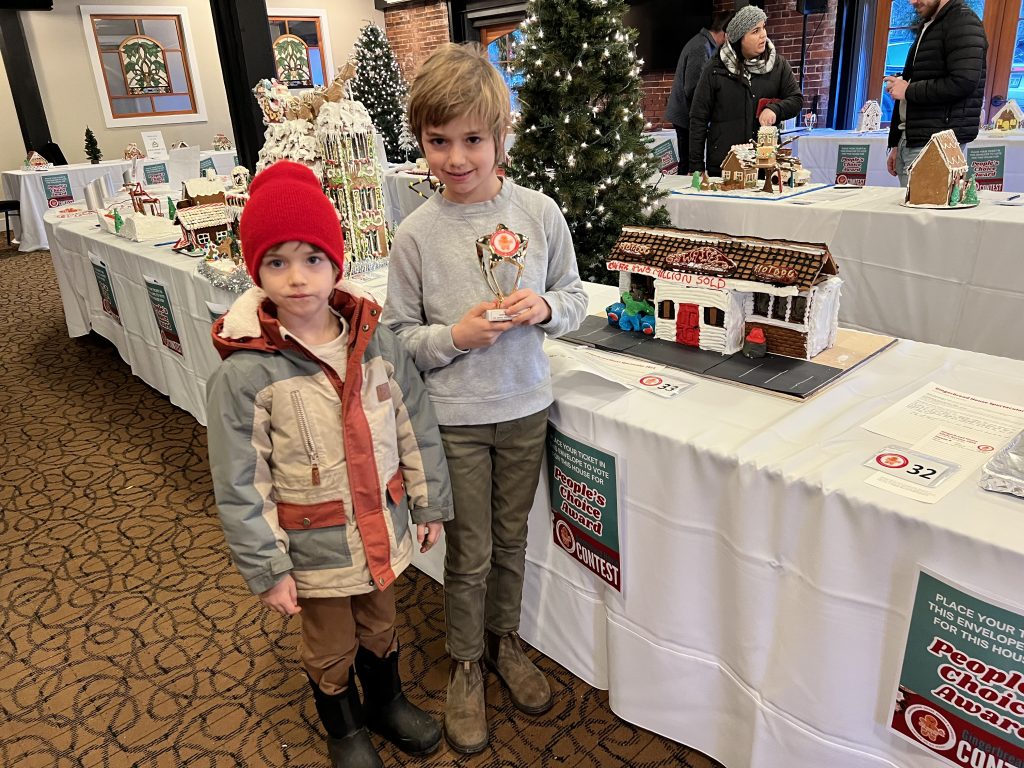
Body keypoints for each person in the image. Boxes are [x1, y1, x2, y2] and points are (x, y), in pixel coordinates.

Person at [205, 160, 454, 768]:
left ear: (336, 263)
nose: (297, 278)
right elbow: (241, 483)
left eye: (313, 259)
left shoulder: (377, 343)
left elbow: (415, 426)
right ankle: (344, 727)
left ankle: (386, 700)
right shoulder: (246, 374)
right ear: (256, 271)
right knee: (330, 642)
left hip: (382, 528)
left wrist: (428, 504)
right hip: (313, 548)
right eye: (277, 262)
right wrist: (267, 567)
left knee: (381, 623)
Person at [384, 43, 588, 755]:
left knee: (513, 539)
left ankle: (505, 642)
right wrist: (455, 337)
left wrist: (547, 308)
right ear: (421, 142)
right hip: (458, 421)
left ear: (502, 136)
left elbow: (575, 296)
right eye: (438, 141)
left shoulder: (538, 212)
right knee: (469, 552)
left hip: (525, 407)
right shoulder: (415, 233)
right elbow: (397, 338)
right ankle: (466, 663)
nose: (456, 157)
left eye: (473, 139)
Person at [688, 5, 802, 177]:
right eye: (755, 31)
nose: (763, 35)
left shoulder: (778, 65)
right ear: (739, 38)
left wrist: (775, 109)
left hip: (765, 165)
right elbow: (698, 117)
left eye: (763, 27)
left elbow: (796, 100)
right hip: (724, 165)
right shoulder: (715, 68)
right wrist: (696, 166)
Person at [884, 0, 987, 186]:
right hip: (913, 139)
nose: (912, 1)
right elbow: (918, 79)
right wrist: (896, 143)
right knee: (909, 204)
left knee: (923, 205)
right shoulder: (931, 24)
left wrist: (909, 90)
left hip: (936, 144)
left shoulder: (962, 21)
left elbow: (963, 81)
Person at [663, 12, 732, 166]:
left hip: (687, 115)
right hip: (686, 117)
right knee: (688, 165)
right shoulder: (701, 47)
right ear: (726, 33)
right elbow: (693, 89)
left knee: (687, 163)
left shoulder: (706, 45)